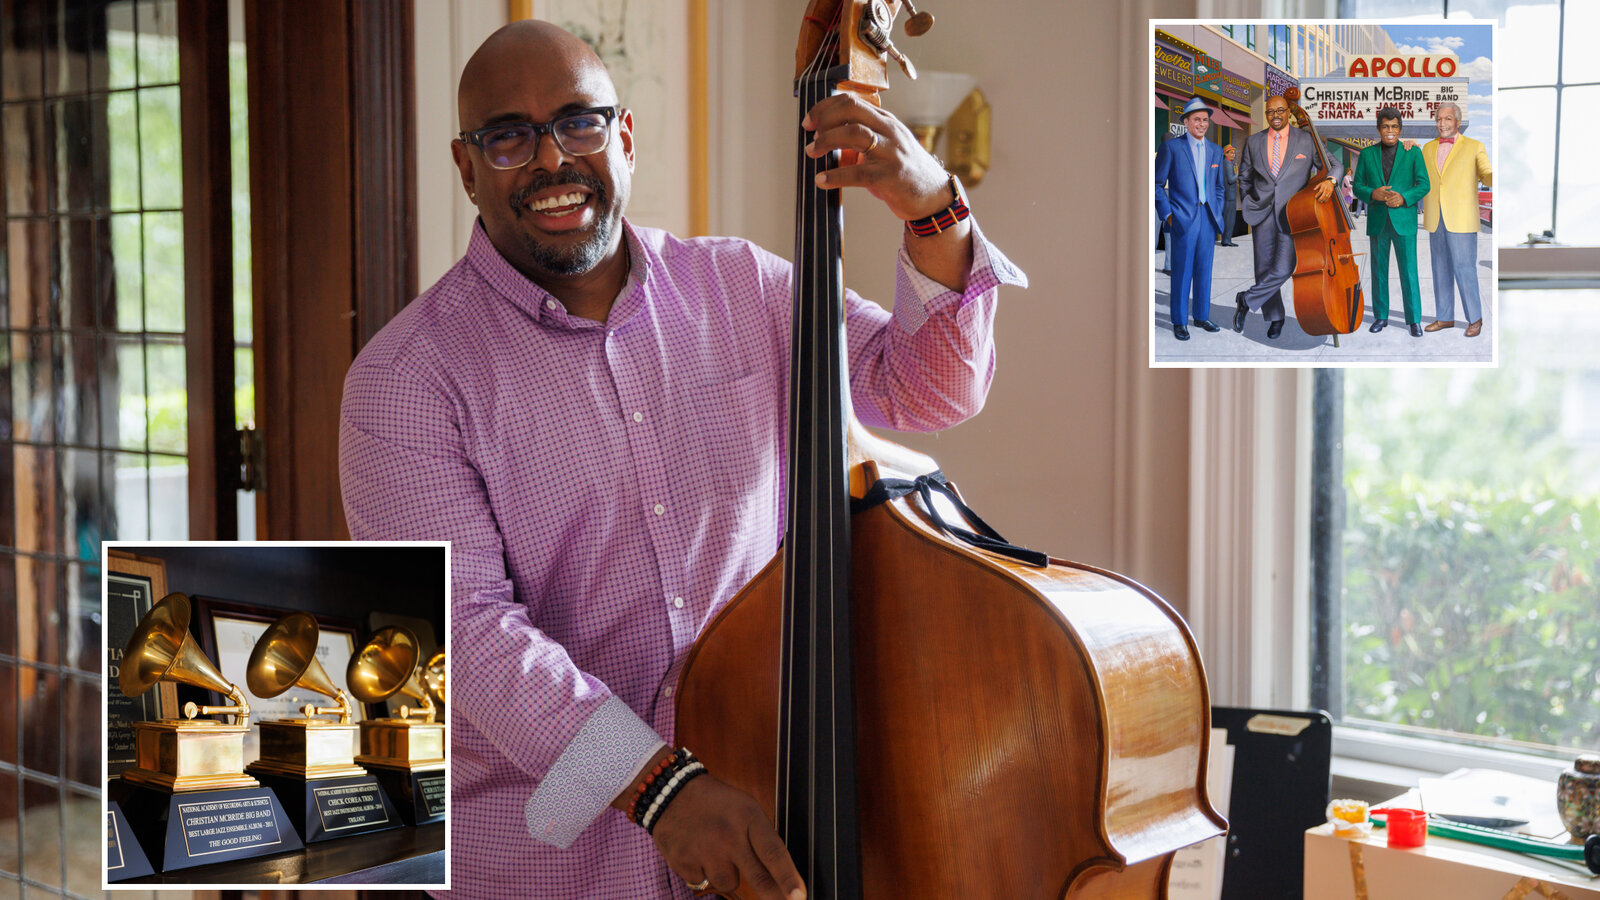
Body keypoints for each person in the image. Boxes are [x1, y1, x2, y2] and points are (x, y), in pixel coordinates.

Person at [337, 20, 1026, 900]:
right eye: (508, 136)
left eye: (580, 122)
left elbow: (930, 390)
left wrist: (933, 203)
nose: (552, 160)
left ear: (624, 138)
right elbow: (466, 633)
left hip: (766, 810)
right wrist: (659, 786)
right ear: (467, 168)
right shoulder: (403, 382)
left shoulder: (747, 287)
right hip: (546, 863)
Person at [1233, 94, 1340, 340]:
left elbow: (1335, 165)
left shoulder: (1307, 140)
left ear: (1288, 112)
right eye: (1270, 112)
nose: (1276, 116)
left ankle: (1247, 299)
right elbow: (1245, 177)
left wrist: (1331, 182)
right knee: (1264, 268)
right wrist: (1250, 199)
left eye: (1280, 111)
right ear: (1266, 114)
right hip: (1262, 212)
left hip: (1294, 213)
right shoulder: (1253, 141)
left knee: (1284, 266)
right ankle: (1275, 318)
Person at [1354, 107, 1430, 336]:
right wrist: (1372, 193)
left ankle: (1414, 320)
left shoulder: (1413, 153)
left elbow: (1424, 184)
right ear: (1379, 129)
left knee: (1409, 271)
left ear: (1400, 129)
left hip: (1404, 222)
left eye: (1394, 127)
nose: (1390, 131)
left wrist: (1404, 197)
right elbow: (1357, 186)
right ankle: (1380, 316)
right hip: (1378, 221)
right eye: (1385, 126)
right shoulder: (1367, 155)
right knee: (1378, 272)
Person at [1154, 96, 1225, 341]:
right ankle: (1179, 321)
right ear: (1186, 121)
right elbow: (1156, 184)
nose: (1202, 124)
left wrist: (1217, 210)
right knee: (1182, 272)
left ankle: (1201, 316)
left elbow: (1219, 188)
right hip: (1182, 218)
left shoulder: (1216, 150)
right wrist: (1168, 215)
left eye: (1205, 120)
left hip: (1207, 218)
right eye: (1197, 119)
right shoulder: (1172, 147)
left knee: (1204, 270)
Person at [1421, 101, 1493, 337]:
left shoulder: (1475, 146)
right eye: (1439, 119)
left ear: (1458, 122)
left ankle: (1475, 318)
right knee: (1440, 269)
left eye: (1448, 119)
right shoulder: (1427, 148)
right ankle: (1444, 318)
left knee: (1464, 269)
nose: (1442, 123)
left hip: (1461, 218)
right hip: (1435, 217)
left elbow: (1486, 173)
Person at [1219, 144, 1240, 247]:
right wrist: (1238, 175)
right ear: (1225, 154)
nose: (1233, 154)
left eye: (1234, 152)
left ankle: (1227, 239)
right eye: (1231, 152)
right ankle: (1226, 240)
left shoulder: (1229, 163)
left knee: (1229, 219)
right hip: (1229, 196)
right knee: (1229, 219)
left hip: (1230, 195)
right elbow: (1231, 180)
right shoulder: (1227, 164)